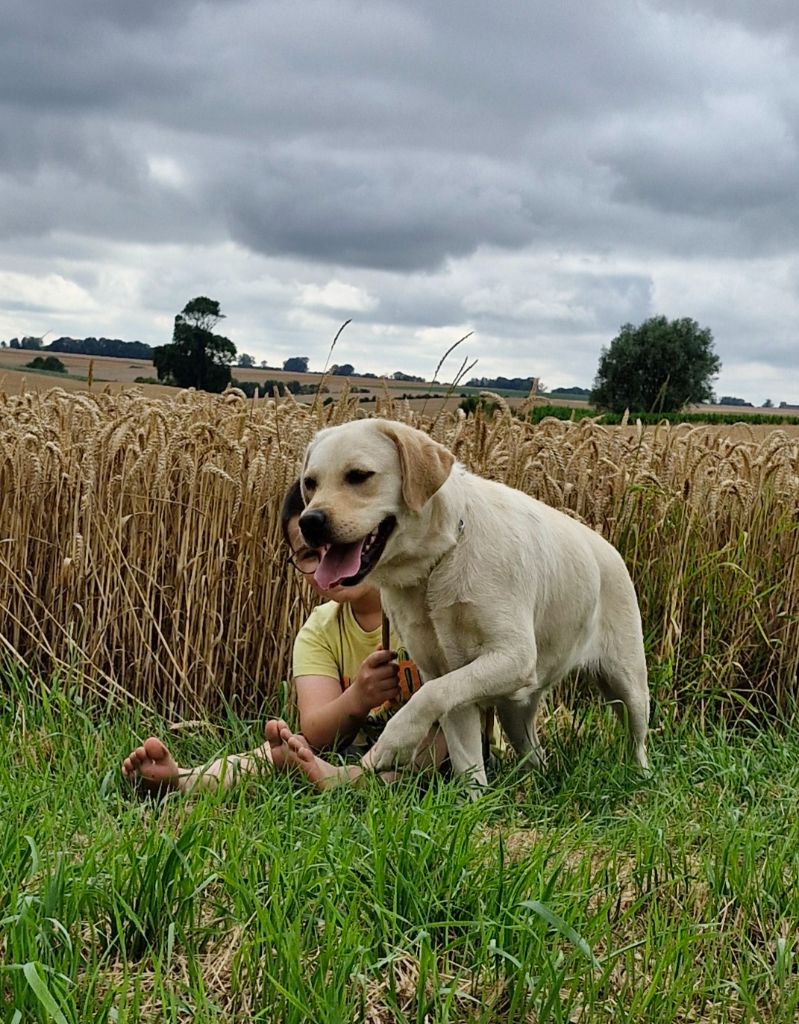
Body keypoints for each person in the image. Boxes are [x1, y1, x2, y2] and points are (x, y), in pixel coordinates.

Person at [122, 480, 448, 795]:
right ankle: (185, 780)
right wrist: (359, 697)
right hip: (352, 750)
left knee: (431, 731)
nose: (327, 563)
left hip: (444, 748)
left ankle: (352, 781)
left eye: (339, 544)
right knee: (280, 751)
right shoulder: (319, 631)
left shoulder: (424, 609)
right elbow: (318, 730)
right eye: (309, 554)